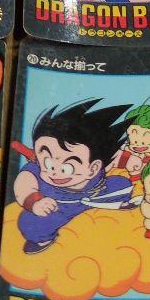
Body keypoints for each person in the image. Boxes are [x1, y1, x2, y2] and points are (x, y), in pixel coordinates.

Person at [14, 99, 131, 253]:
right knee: (30, 223)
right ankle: (43, 241)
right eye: (47, 162)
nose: (53, 171)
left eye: (66, 167)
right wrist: (35, 201)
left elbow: (115, 159)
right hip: (57, 206)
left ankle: (119, 204)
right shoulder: (37, 171)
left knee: (122, 184)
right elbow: (24, 183)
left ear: (93, 168)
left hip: (96, 194)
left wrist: (131, 161)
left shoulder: (97, 166)